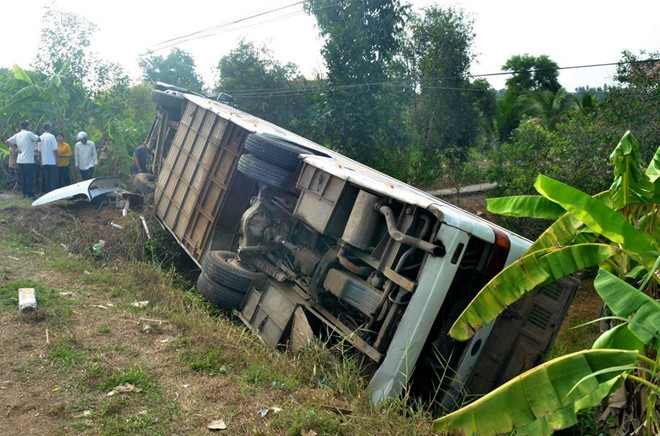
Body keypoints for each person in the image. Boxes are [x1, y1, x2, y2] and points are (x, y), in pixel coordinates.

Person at [6, 120, 39, 198]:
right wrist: (32, 132)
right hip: (28, 160)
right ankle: (29, 193)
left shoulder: (17, 135)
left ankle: (24, 193)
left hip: (20, 160)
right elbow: (38, 139)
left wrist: (16, 149)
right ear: (27, 126)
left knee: (23, 177)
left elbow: (7, 141)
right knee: (29, 177)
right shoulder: (29, 133)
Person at [39, 123, 59, 192]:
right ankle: (54, 192)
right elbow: (55, 149)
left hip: (44, 161)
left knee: (47, 178)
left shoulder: (40, 137)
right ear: (50, 128)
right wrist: (56, 159)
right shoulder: (51, 137)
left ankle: (48, 191)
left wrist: (40, 160)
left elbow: (39, 151)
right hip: (52, 161)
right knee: (54, 178)